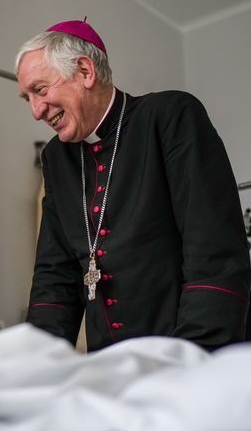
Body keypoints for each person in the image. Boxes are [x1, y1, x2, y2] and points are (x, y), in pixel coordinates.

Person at [16, 19, 251, 352]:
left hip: (186, 350)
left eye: (40, 90)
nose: (36, 111)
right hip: (111, 362)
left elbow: (215, 254)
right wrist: (32, 362)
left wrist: (194, 356)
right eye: (26, 98)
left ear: (85, 71)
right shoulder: (57, 158)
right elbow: (55, 277)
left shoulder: (169, 116)